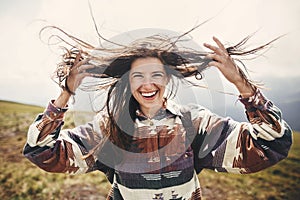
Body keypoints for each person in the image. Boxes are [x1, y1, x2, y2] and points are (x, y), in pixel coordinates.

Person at [23, 27, 293, 200]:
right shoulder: (109, 128)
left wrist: (241, 85)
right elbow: (43, 152)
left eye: (156, 75)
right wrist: (66, 94)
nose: (148, 84)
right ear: (128, 82)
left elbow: (269, 144)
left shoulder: (194, 123)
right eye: (138, 75)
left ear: (168, 79)